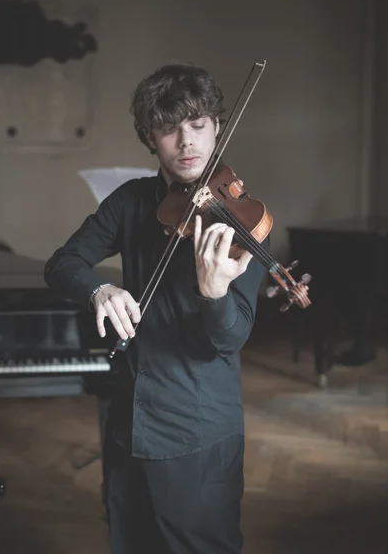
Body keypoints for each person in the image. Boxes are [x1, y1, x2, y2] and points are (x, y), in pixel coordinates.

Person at [44, 62, 267, 554]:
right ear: (150, 137)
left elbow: (230, 340)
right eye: (169, 128)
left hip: (197, 428)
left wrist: (214, 295)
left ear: (216, 129)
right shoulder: (130, 202)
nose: (186, 141)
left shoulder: (240, 217)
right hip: (127, 420)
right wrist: (99, 290)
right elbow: (64, 263)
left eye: (198, 125)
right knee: (129, 540)